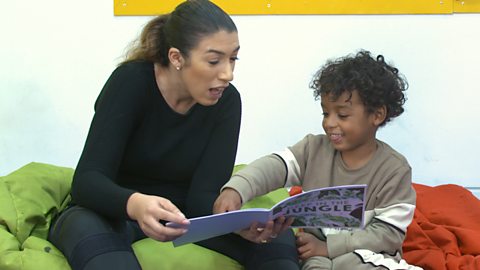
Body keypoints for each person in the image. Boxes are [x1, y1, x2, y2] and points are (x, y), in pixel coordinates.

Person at [48, 1, 298, 270]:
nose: (228, 74)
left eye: (233, 58)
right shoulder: (130, 82)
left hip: (185, 218)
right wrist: (135, 204)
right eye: (214, 60)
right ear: (177, 58)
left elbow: (203, 197)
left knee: (276, 239)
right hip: (113, 211)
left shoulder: (227, 101)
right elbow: (87, 181)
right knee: (91, 235)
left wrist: (239, 226)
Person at [215, 50, 418, 269]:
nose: (329, 123)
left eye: (342, 115)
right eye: (325, 113)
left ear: (377, 115)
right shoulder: (313, 149)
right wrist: (236, 189)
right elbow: (274, 167)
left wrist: (330, 247)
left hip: (371, 257)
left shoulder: (394, 170)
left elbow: (388, 234)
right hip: (316, 254)